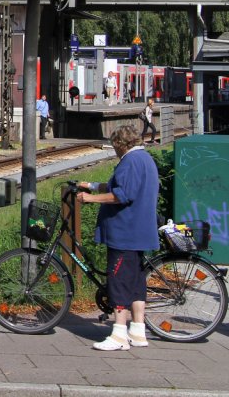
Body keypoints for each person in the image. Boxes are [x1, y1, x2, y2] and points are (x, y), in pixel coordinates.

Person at [76, 125, 159, 351]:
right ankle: (138, 330)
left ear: (121, 144)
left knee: (119, 281)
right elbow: (122, 185)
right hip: (139, 231)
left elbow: (122, 194)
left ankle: (119, 333)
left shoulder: (131, 161)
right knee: (135, 283)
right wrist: (93, 185)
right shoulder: (145, 159)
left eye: (114, 146)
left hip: (126, 232)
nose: (114, 150)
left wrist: (91, 199)